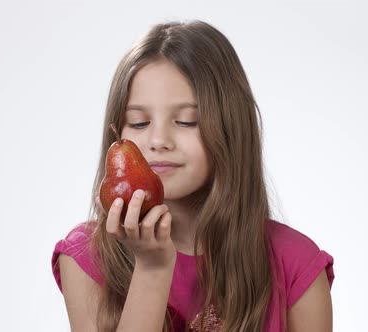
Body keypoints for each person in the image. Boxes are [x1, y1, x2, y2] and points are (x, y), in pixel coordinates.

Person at [51, 19, 335, 332]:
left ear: (231, 130)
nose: (158, 140)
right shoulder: (86, 256)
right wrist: (152, 269)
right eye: (139, 123)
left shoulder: (296, 264)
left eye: (187, 122)